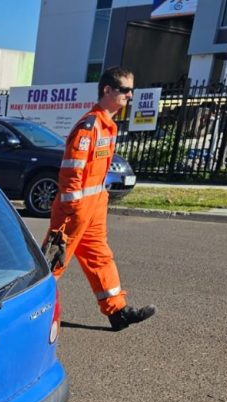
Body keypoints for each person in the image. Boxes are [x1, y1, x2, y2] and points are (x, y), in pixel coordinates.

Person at [43, 66, 155, 331]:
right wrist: (72, 209)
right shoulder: (89, 126)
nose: (130, 95)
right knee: (53, 262)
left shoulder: (108, 126)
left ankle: (118, 312)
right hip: (76, 208)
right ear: (107, 90)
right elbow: (71, 169)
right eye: (125, 90)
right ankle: (25, 313)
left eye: (132, 90)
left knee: (100, 257)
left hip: (94, 207)